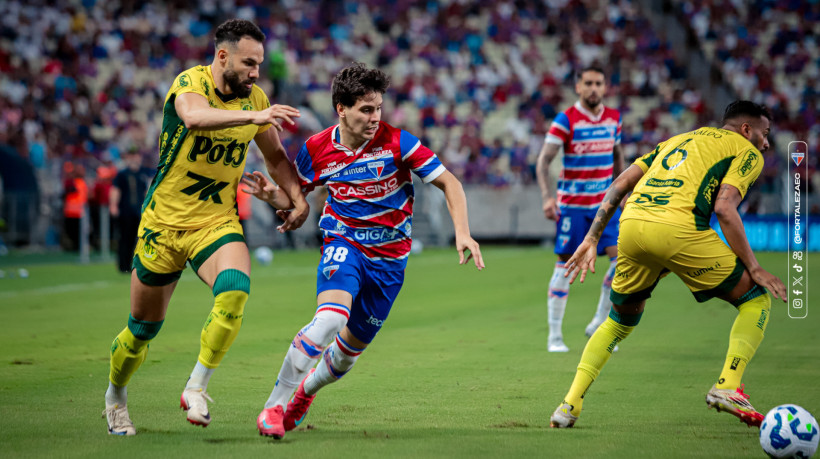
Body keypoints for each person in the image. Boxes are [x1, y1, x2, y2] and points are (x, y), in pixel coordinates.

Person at [243, 62, 484, 440]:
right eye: (366, 109)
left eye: (379, 109)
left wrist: (463, 232)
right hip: (345, 243)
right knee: (329, 321)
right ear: (341, 108)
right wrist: (273, 196)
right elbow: (297, 197)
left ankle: (305, 391)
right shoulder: (316, 149)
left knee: (344, 356)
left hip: (390, 262)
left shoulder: (398, 142)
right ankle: (274, 405)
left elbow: (449, 183)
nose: (375, 118)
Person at [103, 19, 309, 436]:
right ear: (222, 57)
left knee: (235, 288)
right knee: (142, 329)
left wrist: (297, 198)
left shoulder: (256, 99)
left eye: (259, 64)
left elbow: (276, 159)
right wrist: (257, 114)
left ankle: (196, 386)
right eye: (249, 63)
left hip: (215, 222)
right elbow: (195, 118)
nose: (256, 72)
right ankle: (116, 395)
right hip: (163, 225)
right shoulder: (190, 83)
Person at [549, 100, 788, 428]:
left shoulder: (676, 140)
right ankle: (728, 386)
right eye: (764, 133)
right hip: (680, 228)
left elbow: (620, 184)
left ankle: (568, 406)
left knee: (618, 322)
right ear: (746, 129)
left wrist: (591, 238)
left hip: (631, 226)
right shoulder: (747, 152)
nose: (766, 142)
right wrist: (755, 266)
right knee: (755, 298)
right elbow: (725, 207)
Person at [535, 66, 624, 352]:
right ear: (578, 87)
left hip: (605, 207)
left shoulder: (614, 119)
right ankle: (554, 336)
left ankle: (599, 321)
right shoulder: (566, 120)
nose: (594, 88)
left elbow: (618, 157)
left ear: (605, 86)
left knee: (623, 263)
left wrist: (622, 191)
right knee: (565, 267)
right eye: (588, 83)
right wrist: (548, 197)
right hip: (573, 208)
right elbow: (543, 162)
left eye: (599, 83)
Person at [109, 150, 153, 273]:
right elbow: (115, 190)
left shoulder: (142, 173)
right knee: (125, 239)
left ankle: (135, 265)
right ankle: (123, 266)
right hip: (125, 211)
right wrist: (113, 205)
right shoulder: (122, 174)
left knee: (138, 240)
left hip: (139, 212)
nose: (134, 158)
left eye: (136, 156)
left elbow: (146, 192)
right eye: (132, 156)